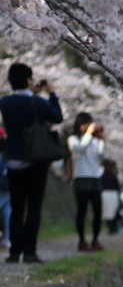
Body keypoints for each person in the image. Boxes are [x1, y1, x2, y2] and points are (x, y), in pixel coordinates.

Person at [0, 62, 63, 263]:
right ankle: (30, 251)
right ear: (29, 80)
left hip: (13, 162)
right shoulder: (38, 102)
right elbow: (58, 117)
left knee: (17, 209)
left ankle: (14, 252)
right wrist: (51, 93)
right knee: (34, 208)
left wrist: (30, 92)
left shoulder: (4, 103)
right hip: (36, 162)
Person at [66, 112, 105, 251]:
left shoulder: (94, 141)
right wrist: (88, 135)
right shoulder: (73, 139)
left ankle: (95, 240)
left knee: (98, 212)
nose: (87, 127)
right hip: (81, 178)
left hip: (95, 178)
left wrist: (101, 140)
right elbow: (80, 149)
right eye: (84, 124)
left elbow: (101, 155)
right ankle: (82, 241)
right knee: (82, 211)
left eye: (88, 124)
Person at [100, 159, 121, 234]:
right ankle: (113, 228)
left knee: (107, 212)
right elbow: (118, 187)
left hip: (105, 194)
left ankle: (111, 228)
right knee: (113, 211)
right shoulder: (114, 176)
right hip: (113, 194)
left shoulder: (102, 176)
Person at [0, 153, 10, 248]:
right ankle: (7, 238)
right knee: (7, 213)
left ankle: (6, 238)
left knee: (7, 213)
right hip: (9, 188)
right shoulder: (6, 157)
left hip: (4, 189)